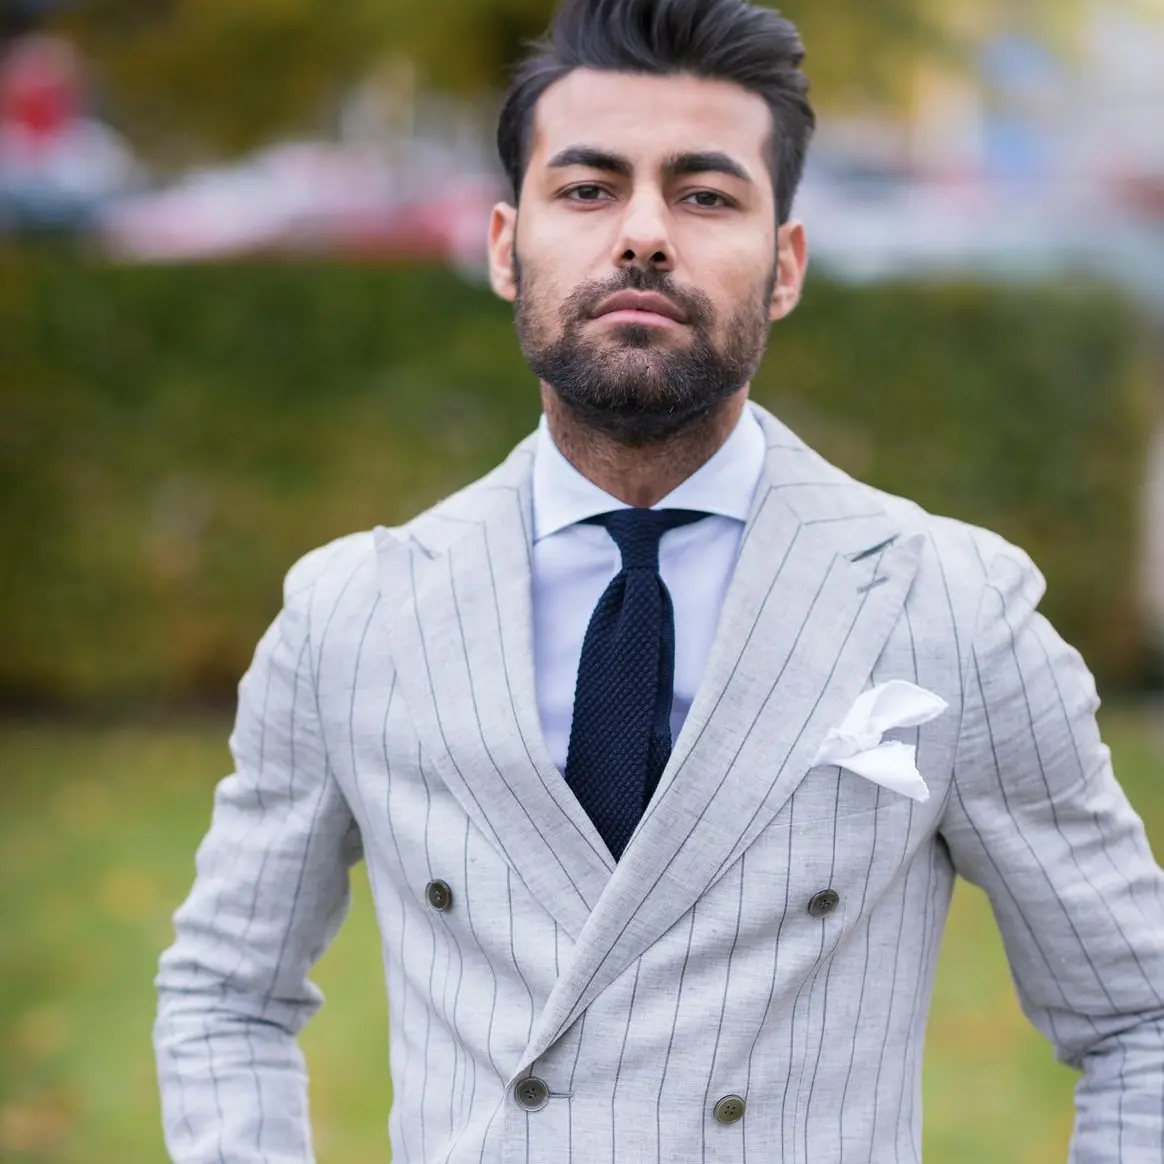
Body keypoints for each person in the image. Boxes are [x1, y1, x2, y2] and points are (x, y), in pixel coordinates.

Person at [153, 0, 1164, 1160]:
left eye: (705, 194)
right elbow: (226, 993)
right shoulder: (353, 616)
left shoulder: (951, 606)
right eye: (587, 190)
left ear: (784, 265)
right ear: (503, 245)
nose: (643, 235)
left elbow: (1140, 1014)